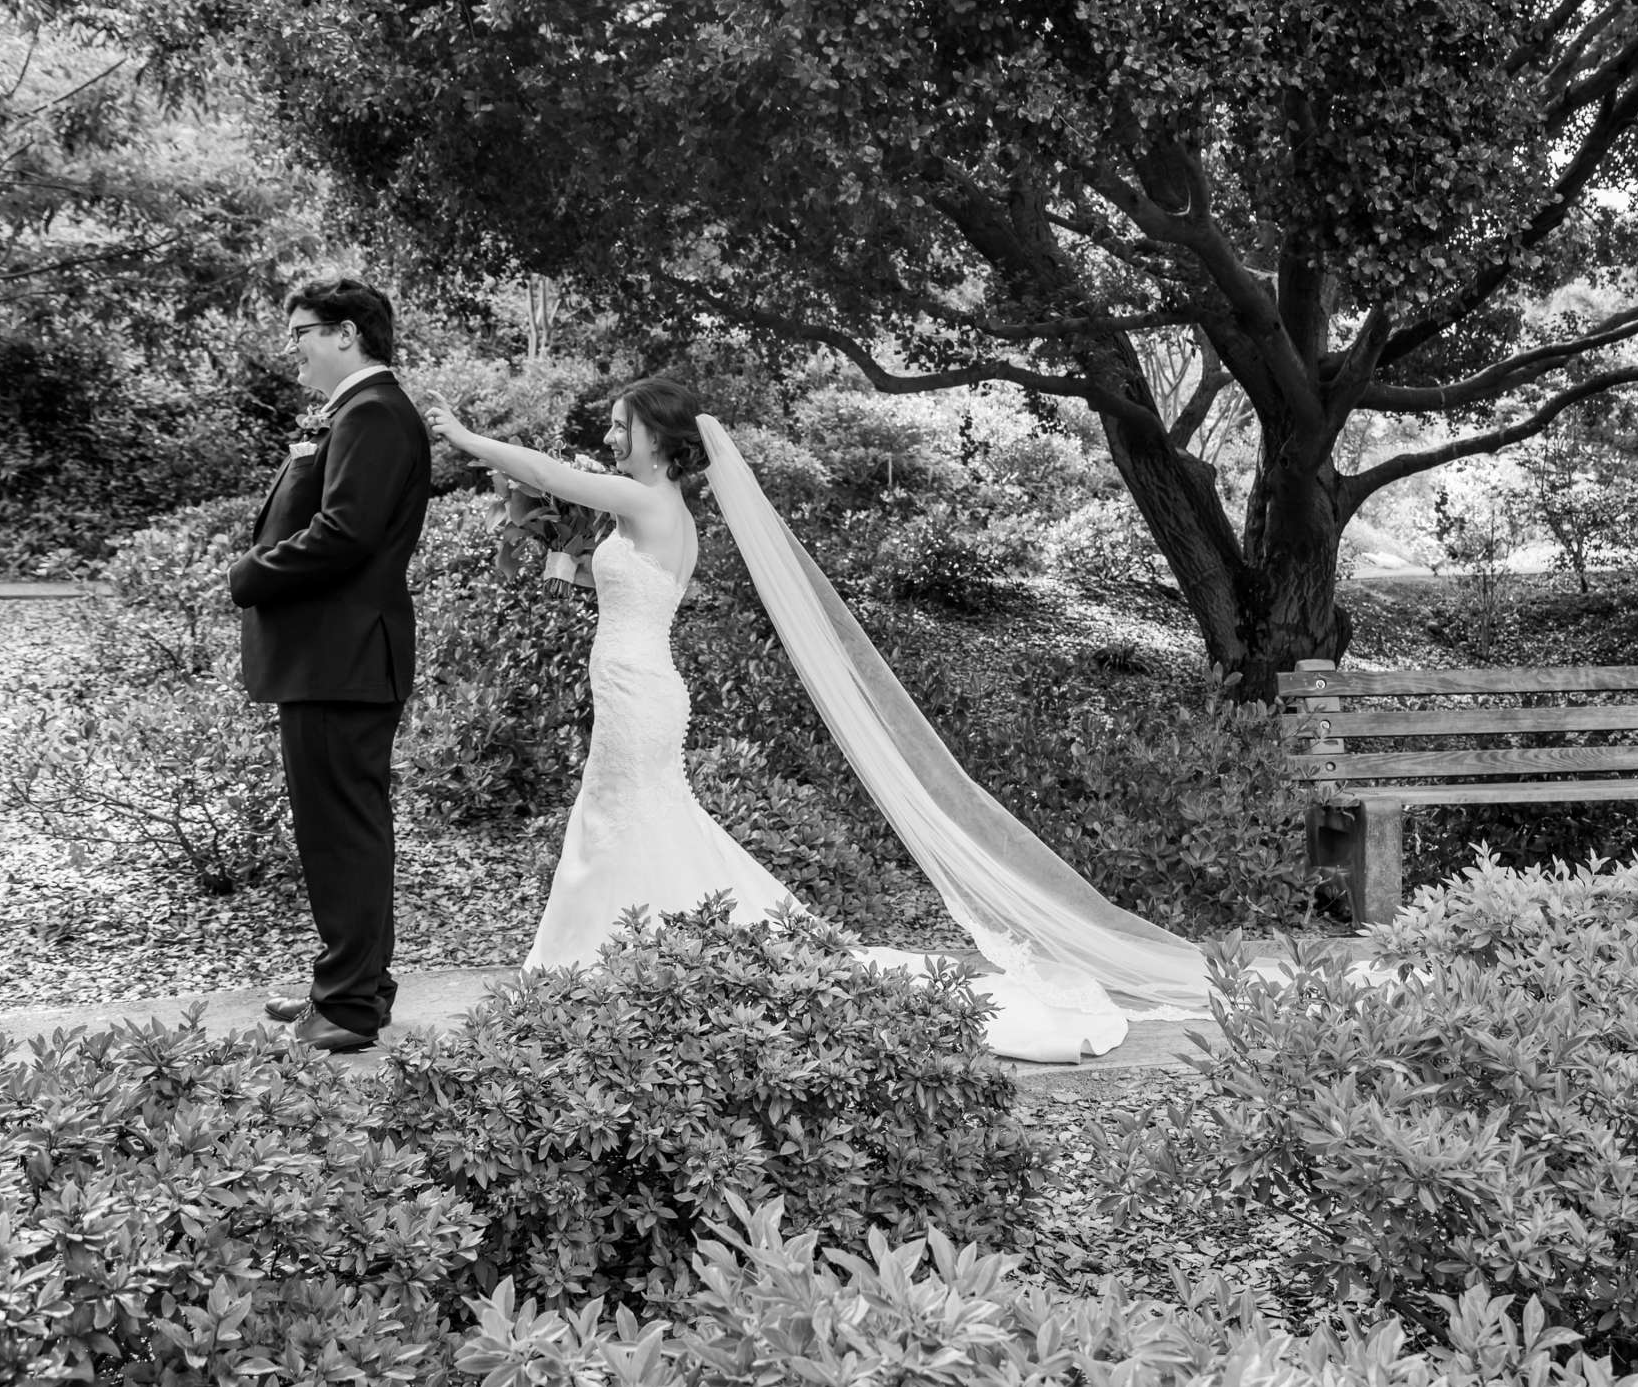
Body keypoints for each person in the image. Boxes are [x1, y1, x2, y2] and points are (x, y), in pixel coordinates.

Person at [425, 376, 1216, 1063]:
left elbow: (549, 471)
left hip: (640, 694)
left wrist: (465, 438)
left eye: (619, 425)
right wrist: (532, 519)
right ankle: (623, 958)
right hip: (638, 688)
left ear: (656, 443)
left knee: (624, 819)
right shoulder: (650, 511)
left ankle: (595, 963)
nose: (607, 435)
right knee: (629, 818)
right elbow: (575, 536)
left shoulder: (648, 501)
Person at [229, 277, 432, 1055]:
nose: (297, 349)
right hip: (336, 656)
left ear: (347, 333)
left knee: (339, 830)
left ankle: (346, 1006)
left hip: (341, 656)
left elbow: (345, 531)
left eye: (303, 333)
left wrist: (251, 574)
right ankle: (354, 986)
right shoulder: (361, 411)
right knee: (349, 824)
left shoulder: (375, 412)